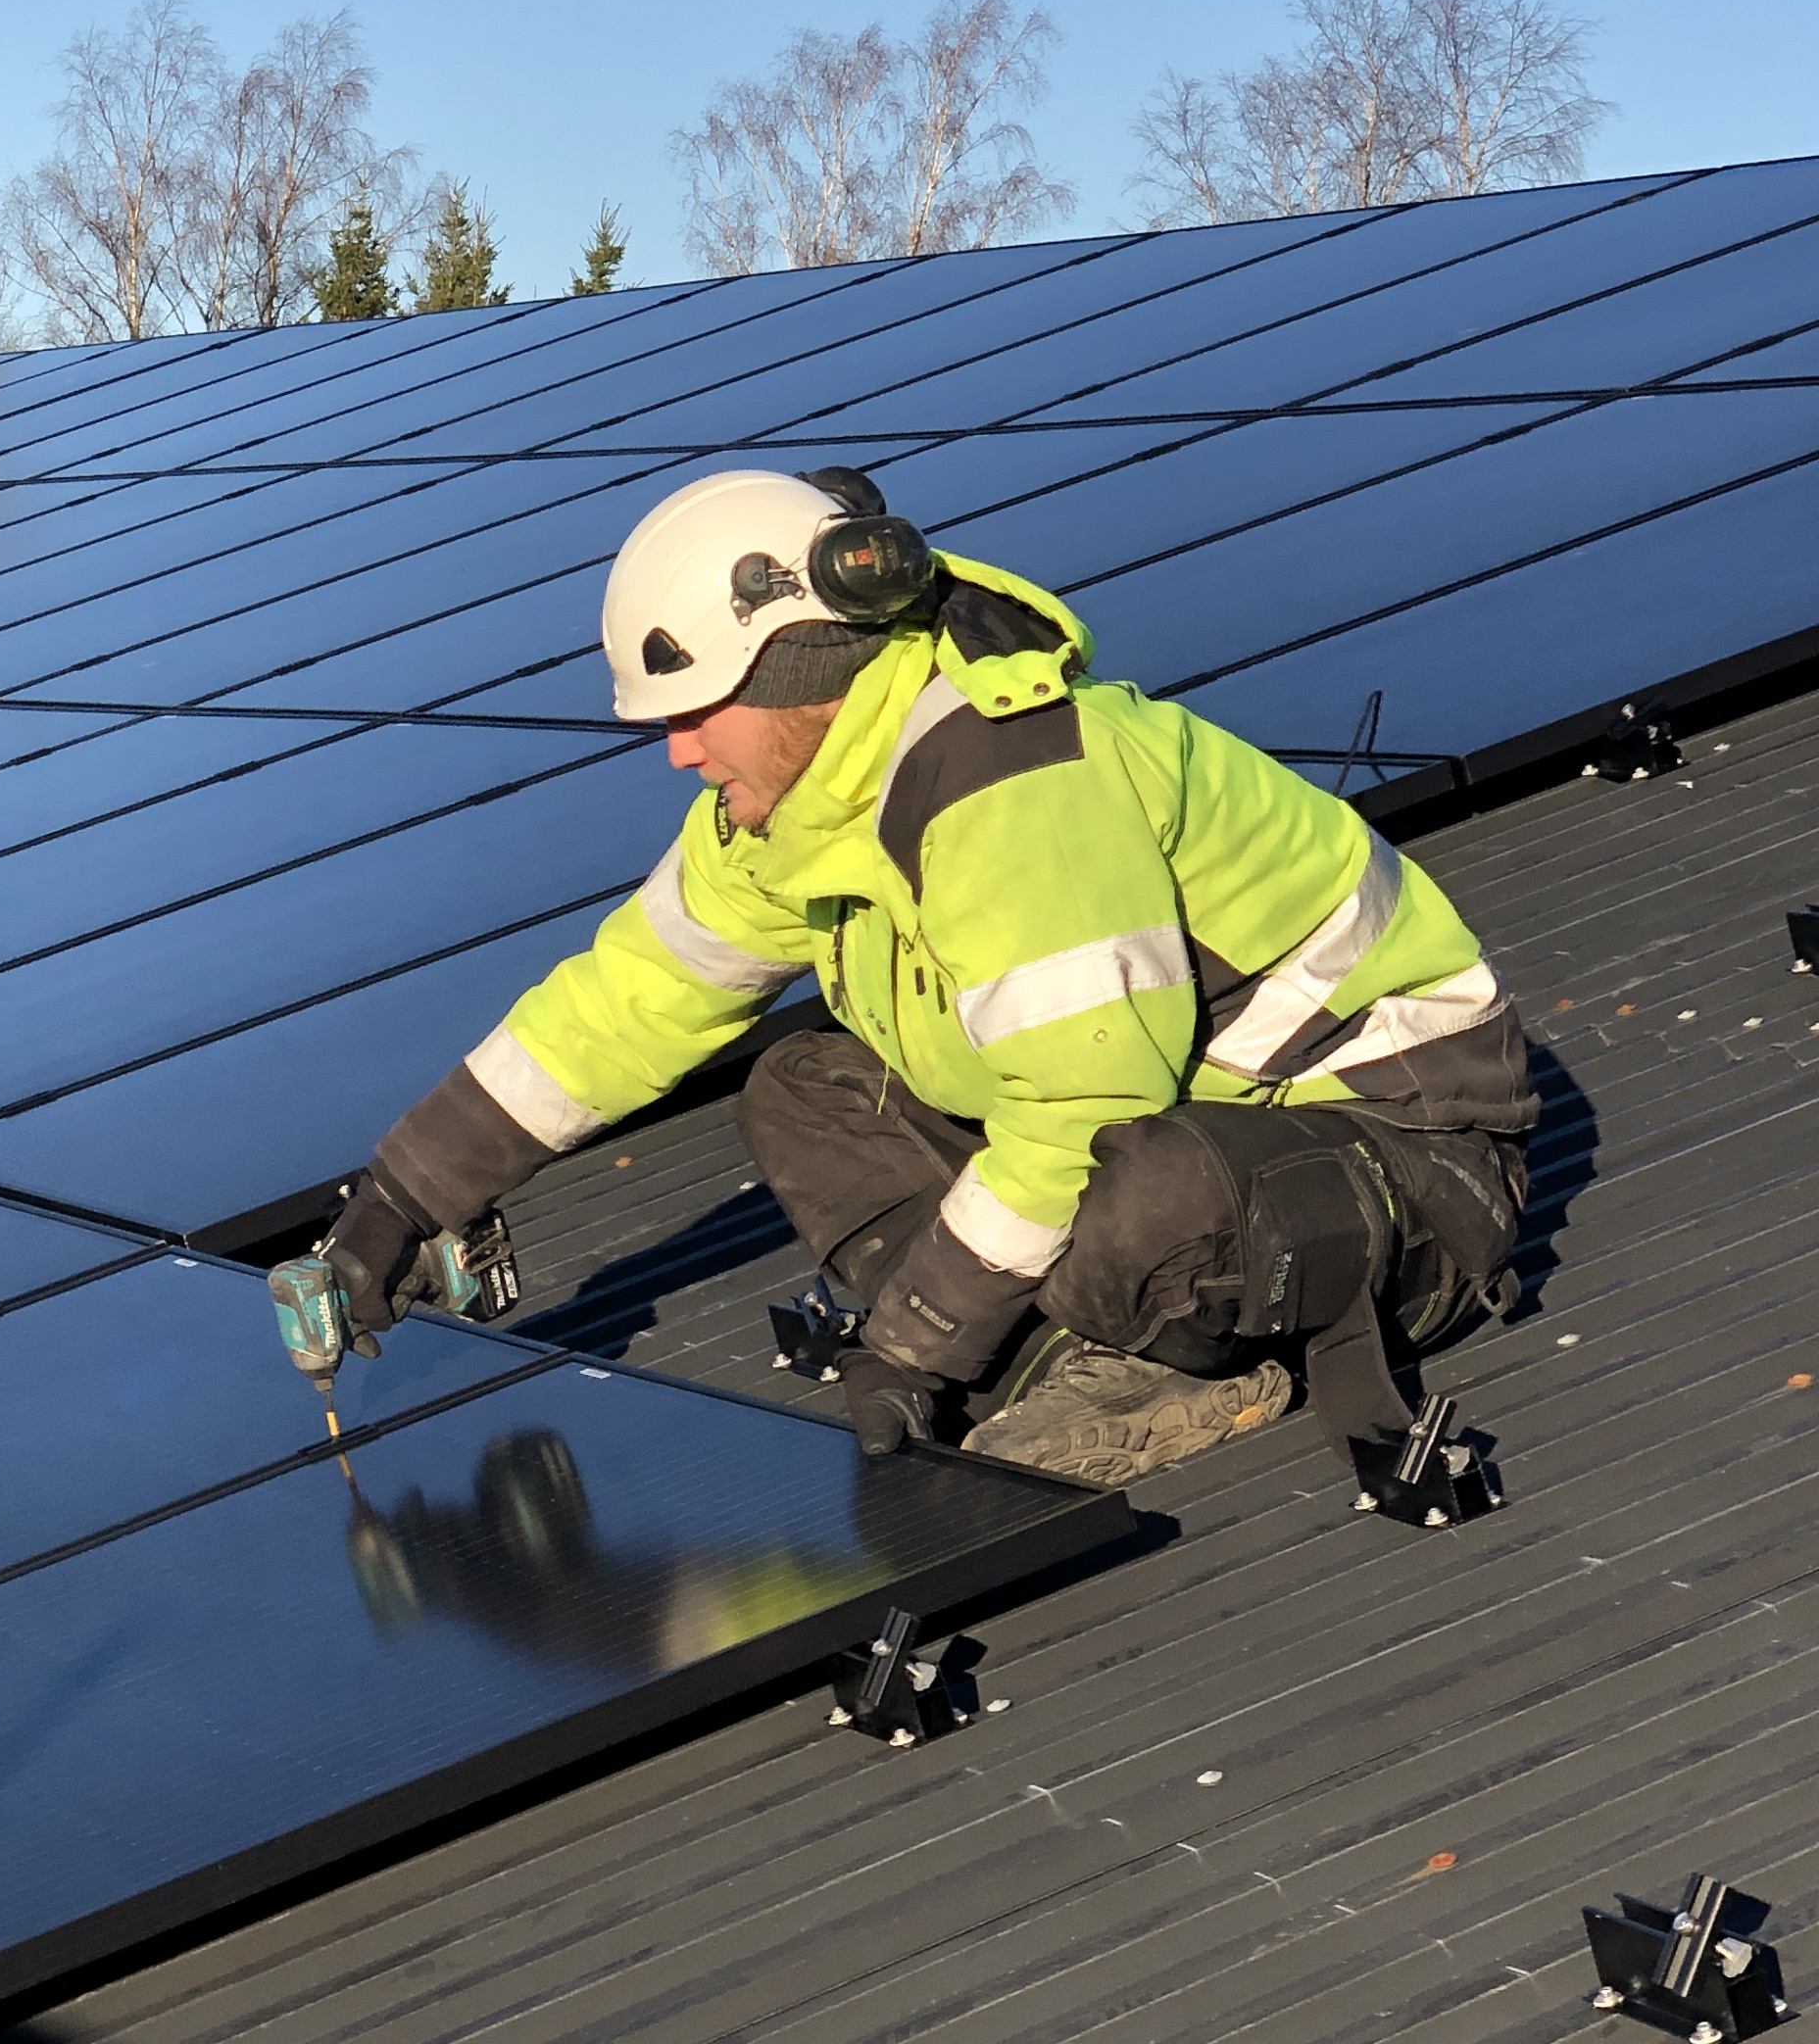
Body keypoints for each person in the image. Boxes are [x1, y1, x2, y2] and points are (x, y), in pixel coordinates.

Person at [304, 466, 1533, 1490]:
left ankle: (1156, 1357)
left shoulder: (1012, 782)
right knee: (808, 1092)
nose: (678, 753)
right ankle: (1074, 1358)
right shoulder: (801, 801)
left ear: (795, 672)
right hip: (1182, 1121)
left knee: (1139, 1197)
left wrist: (914, 1343)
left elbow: (1082, 1112)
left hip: (1397, 1162)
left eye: (698, 713)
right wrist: (399, 1203)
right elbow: (628, 1001)